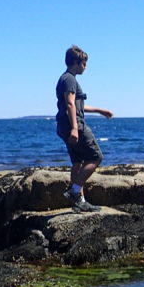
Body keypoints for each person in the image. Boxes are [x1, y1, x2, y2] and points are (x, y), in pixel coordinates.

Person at [56, 45, 114, 212]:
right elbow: (69, 104)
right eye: (84, 63)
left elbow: (77, 104)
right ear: (75, 62)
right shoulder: (70, 79)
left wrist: (99, 110)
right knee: (96, 157)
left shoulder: (66, 78)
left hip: (64, 125)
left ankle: (78, 203)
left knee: (78, 162)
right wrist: (75, 128)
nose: (85, 67)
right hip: (75, 125)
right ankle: (75, 191)